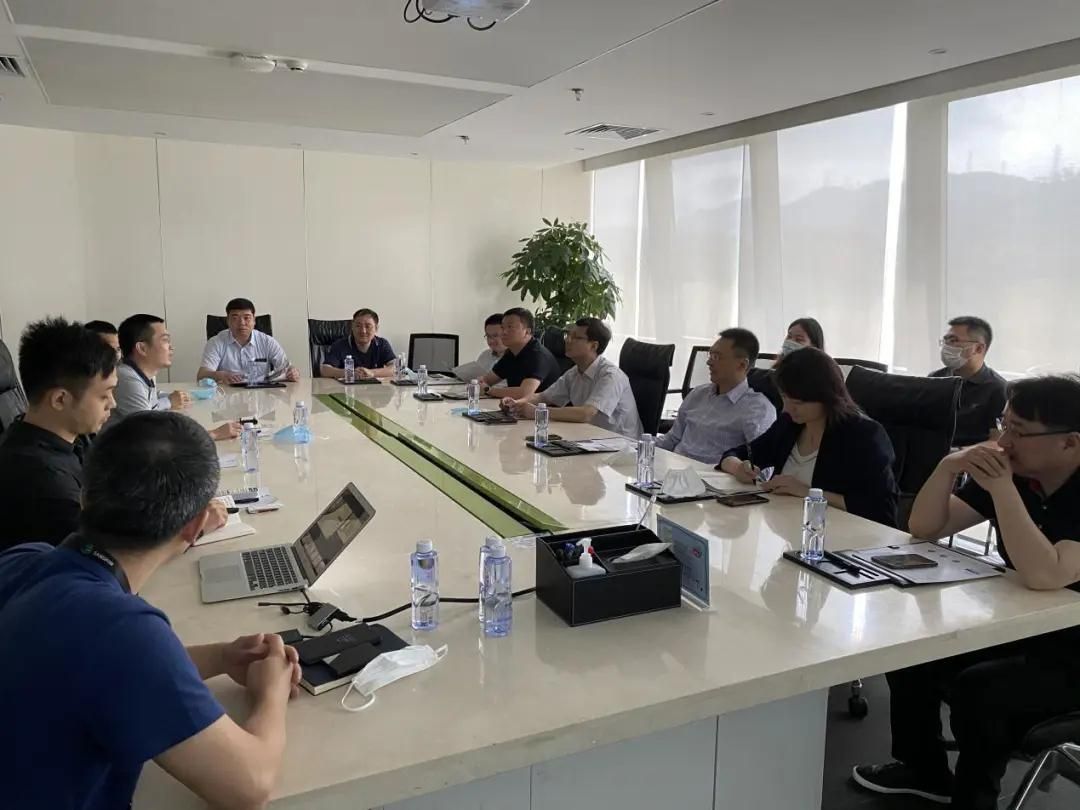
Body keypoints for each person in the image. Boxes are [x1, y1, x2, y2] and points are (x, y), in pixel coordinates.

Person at [0, 410, 302, 810]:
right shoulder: (120, 631)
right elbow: (249, 787)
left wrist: (221, 657)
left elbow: (100, 671)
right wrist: (271, 693)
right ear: (194, 527)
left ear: (85, 494)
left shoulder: (23, 560)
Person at [853, 374, 1080, 810]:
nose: (1003, 441)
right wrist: (947, 467)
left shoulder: (1023, 482)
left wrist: (1003, 488)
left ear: (1069, 443)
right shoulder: (1022, 475)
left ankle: (974, 799)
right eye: (1004, 424)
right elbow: (925, 527)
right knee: (914, 648)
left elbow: (1047, 573)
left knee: (983, 689)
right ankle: (924, 770)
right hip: (1025, 623)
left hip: (1073, 646)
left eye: (1018, 430)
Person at [719, 347, 898, 526]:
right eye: (784, 398)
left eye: (798, 403)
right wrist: (738, 468)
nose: (788, 408)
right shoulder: (789, 424)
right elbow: (733, 455)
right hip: (788, 527)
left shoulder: (864, 436)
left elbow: (882, 510)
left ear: (826, 397)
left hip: (837, 533)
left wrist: (808, 492)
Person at [0, 318, 117, 550]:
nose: (112, 404)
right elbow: (106, 555)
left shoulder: (70, 436)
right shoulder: (44, 482)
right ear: (60, 399)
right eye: (104, 395)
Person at [105, 314, 240, 441]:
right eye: (165, 340)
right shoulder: (126, 378)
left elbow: (151, 407)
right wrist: (213, 434)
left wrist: (168, 399)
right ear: (142, 348)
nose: (171, 347)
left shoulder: (144, 373)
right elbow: (152, 436)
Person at [501, 318, 642, 439]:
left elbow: (587, 414)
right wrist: (516, 403)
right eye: (568, 335)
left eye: (576, 337)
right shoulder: (574, 372)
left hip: (620, 447)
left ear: (594, 345)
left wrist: (539, 413)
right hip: (590, 438)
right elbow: (542, 397)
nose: (568, 340)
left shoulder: (610, 375)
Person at [657, 328, 775, 465]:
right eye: (710, 355)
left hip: (712, 476)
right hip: (675, 470)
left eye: (717, 357)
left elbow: (761, 466)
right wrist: (639, 446)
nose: (709, 362)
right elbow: (672, 439)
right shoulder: (697, 394)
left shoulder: (758, 409)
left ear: (742, 364)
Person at [929, 316, 1007, 446]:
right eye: (945, 340)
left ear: (979, 348)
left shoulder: (998, 389)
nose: (947, 346)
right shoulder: (935, 378)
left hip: (969, 455)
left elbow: (996, 441)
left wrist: (957, 453)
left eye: (953, 340)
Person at [198, 298, 300, 384]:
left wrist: (293, 372)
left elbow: (287, 368)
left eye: (247, 318)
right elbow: (201, 375)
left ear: (254, 320)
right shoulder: (216, 342)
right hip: (228, 395)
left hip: (261, 396)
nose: (242, 323)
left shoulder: (267, 341)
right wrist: (220, 375)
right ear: (227, 321)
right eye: (235, 318)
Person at [480, 308, 562, 399]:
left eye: (510, 327)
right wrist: (479, 384)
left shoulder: (538, 355)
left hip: (544, 407)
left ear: (527, 331)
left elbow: (524, 393)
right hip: (516, 405)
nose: (504, 332)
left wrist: (489, 390)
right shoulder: (511, 353)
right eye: (502, 327)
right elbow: (486, 380)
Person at [320, 308, 396, 380]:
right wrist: (350, 373)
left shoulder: (382, 344)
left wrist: (372, 373)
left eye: (368, 326)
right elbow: (324, 370)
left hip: (374, 388)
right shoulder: (340, 345)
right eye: (358, 326)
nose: (363, 331)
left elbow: (395, 367)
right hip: (346, 388)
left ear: (376, 328)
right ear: (352, 327)